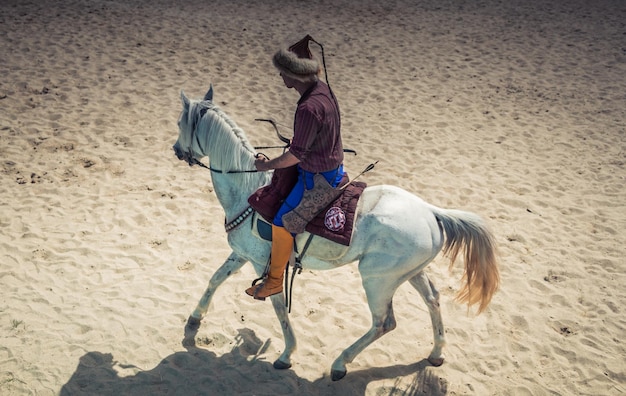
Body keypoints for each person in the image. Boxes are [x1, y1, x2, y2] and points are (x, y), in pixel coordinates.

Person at [245, 35, 345, 300]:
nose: (280, 78)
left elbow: (296, 156)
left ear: (294, 76)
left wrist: (265, 165)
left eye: (282, 73)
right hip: (333, 164)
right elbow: (315, 137)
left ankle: (274, 281)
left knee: (282, 221)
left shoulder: (308, 108)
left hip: (317, 177)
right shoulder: (323, 89)